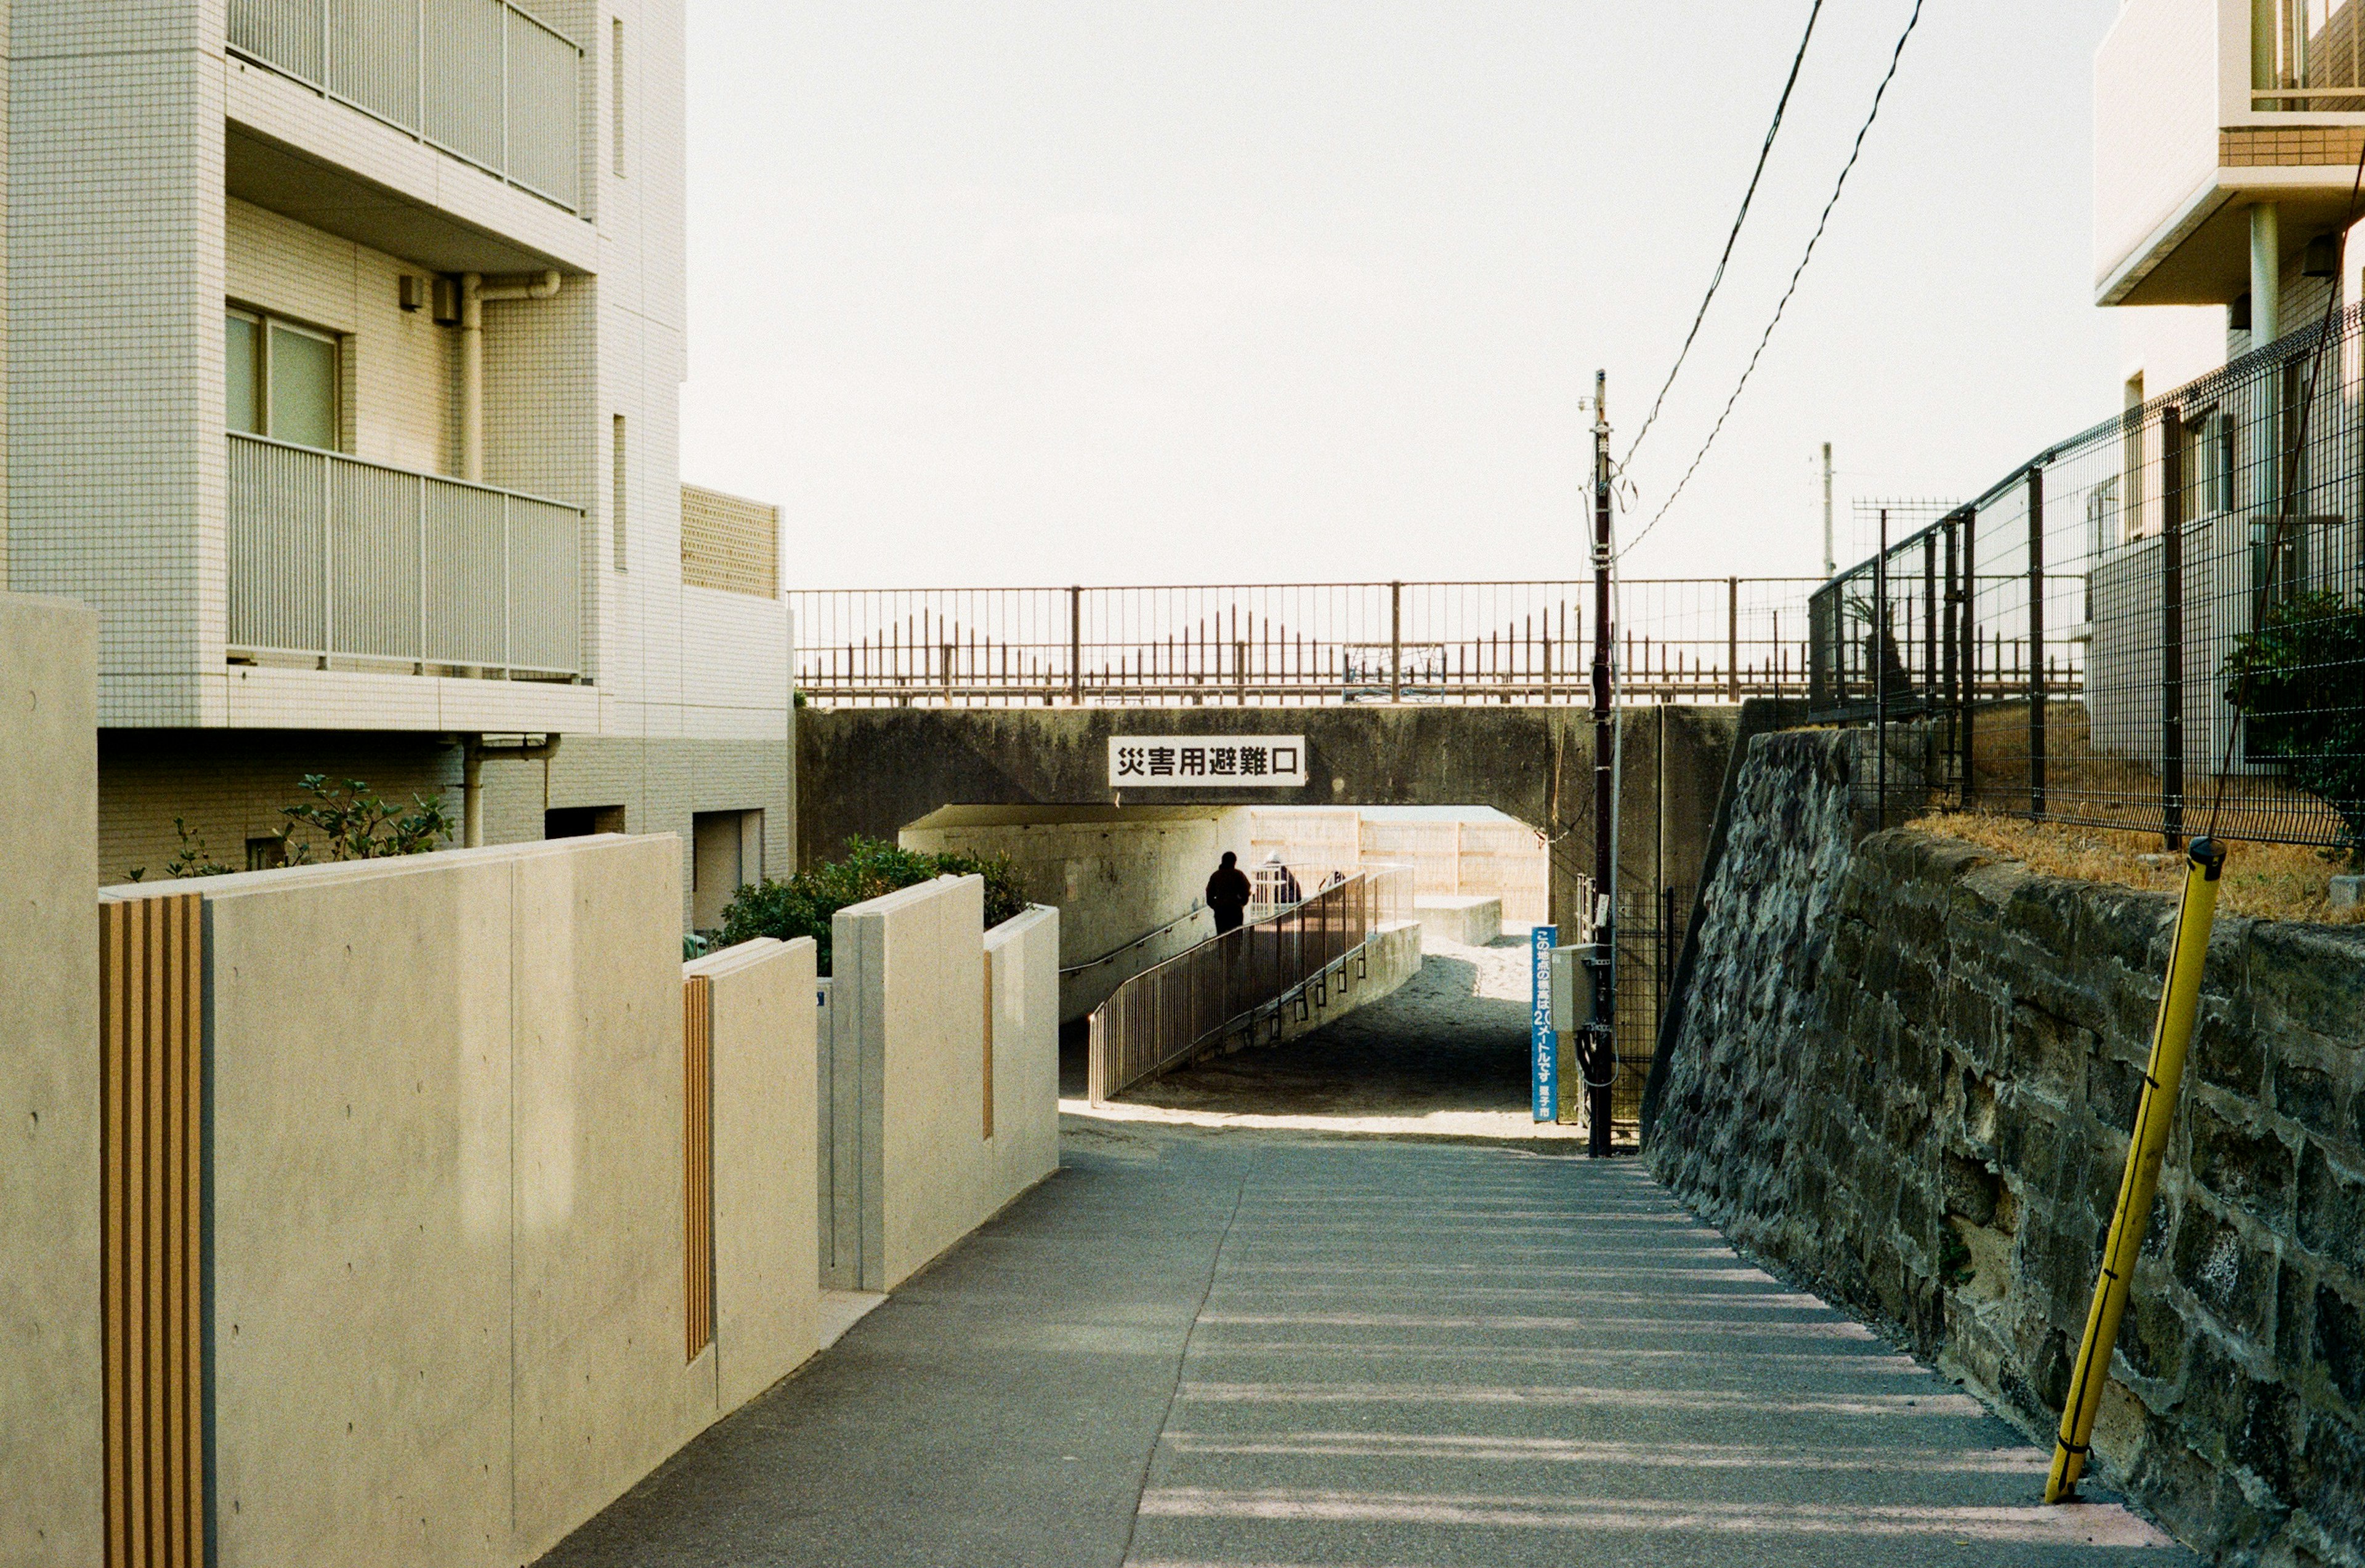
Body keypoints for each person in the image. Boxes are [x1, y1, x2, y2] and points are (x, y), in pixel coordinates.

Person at [1205, 851, 1251, 934]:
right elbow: (1246, 889)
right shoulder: (1238, 875)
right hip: (1235, 909)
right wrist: (1242, 903)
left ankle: (1223, 948)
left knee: (1221, 936)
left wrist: (1215, 906)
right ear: (1234, 862)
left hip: (1220, 910)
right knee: (1235, 937)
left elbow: (1209, 894)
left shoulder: (1216, 875)